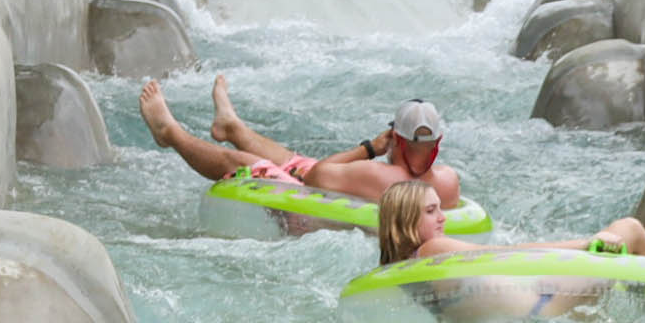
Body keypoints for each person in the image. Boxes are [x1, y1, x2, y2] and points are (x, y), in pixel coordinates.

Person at [139, 80, 472, 215]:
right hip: (346, 189)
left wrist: (370, 148)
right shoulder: (448, 181)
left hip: (308, 211)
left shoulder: (375, 172)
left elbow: (314, 176)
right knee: (289, 160)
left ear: (395, 138)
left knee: (243, 161)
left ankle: (170, 133)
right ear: (437, 142)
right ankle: (232, 126)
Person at [373, 177, 645, 300]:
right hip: (543, 297)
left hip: (530, 301)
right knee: (629, 228)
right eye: (431, 212)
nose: (443, 217)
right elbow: (500, 255)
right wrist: (585, 244)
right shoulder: (432, 248)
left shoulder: (399, 270)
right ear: (406, 223)